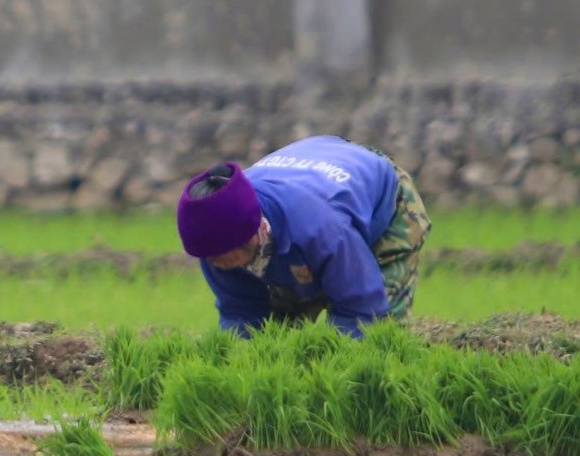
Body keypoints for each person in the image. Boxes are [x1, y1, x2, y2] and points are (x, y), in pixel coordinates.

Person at [175, 135, 430, 338]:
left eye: (230, 256)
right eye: (213, 260)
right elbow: (240, 315)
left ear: (256, 230)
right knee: (273, 339)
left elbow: (361, 311)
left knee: (378, 331)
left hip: (381, 196)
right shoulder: (211, 241)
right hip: (310, 180)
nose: (222, 265)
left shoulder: (321, 228)